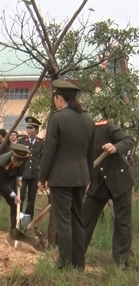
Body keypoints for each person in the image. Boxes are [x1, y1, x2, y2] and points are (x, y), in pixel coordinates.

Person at [38, 79, 95, 270]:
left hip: (61, 177)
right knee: (77, 219)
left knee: (63, 221)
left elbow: (49, 151)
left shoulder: (57, 118)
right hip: (81, 176)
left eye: (55, 98)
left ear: (59, 98)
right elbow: (90, 152)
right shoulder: (88, 119)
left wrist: (42, 177)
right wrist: (89, 177)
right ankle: (79, 263)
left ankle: (64, 264)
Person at [83, 120, 136, 269]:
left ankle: (120, 261)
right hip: (98, 183)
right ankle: (77, 254)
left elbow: (128, 140)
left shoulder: (105, 127)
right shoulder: (77, 134)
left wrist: (115, 147)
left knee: (122, 221)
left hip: (119, 180)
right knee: (85, 218)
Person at [0, 143, 31, 232]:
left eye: (19, 162)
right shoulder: (1, 164)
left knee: (16, 203)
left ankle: (15, 228)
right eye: (15, 161)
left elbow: (21, 168)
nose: (17, 163)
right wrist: (14, 195)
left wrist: (19, 179)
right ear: (12, 155)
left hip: (8, 180)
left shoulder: (23, 161)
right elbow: (2, 183)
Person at [18, 116, 44, 219]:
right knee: (21, 196)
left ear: (36, 130)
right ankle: (18, 218)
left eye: (31, 128)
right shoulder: (22, 142)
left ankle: (28, 219)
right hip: (23, 174)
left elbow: (43, 159)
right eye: (27, 128)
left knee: (31, 199)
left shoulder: (41, 143)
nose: (28, 130)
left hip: (35, 175)